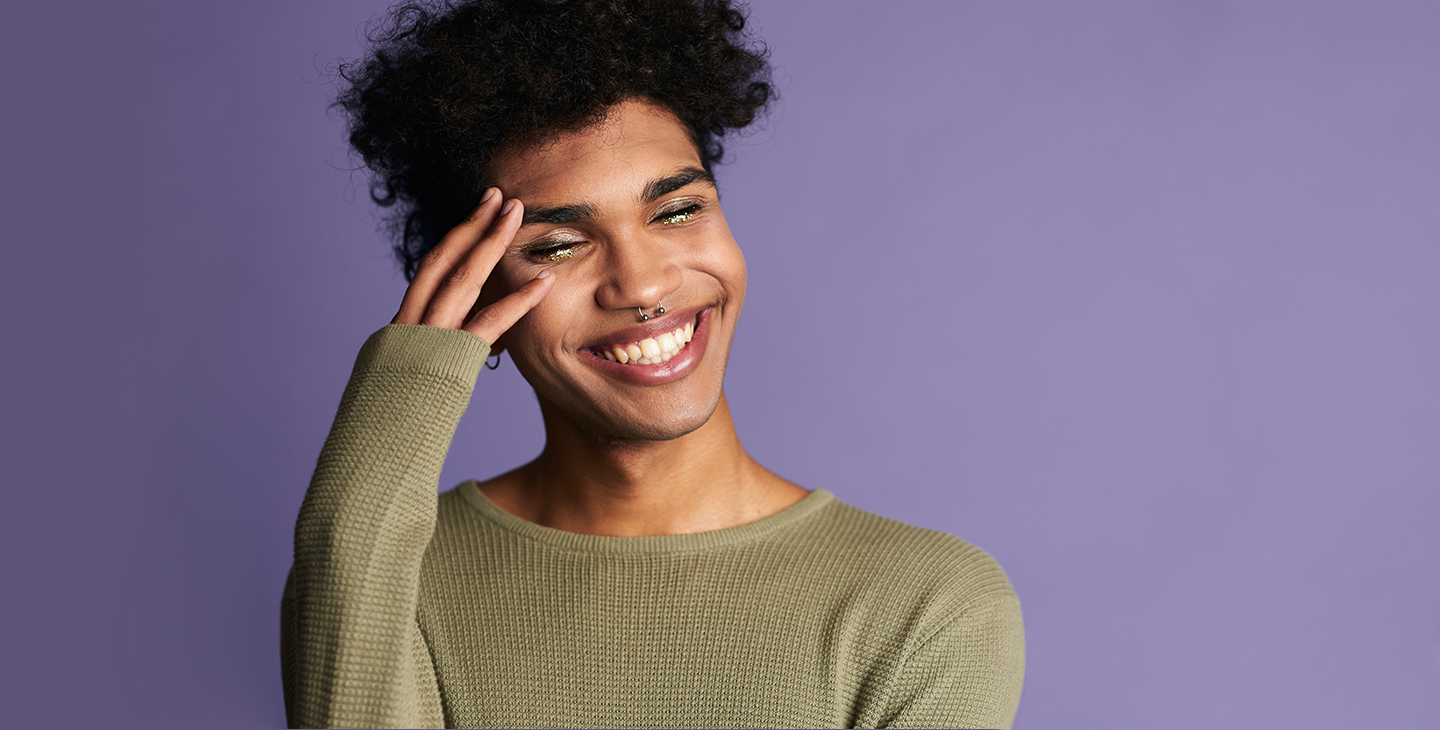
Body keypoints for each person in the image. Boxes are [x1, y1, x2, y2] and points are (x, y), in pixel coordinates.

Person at [281, 1, 1025, 727]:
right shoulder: (386, 574)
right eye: (556, 246)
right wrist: (400, 399)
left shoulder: (928, 604)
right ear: (479, 300)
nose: (641, 286)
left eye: (676, 211)